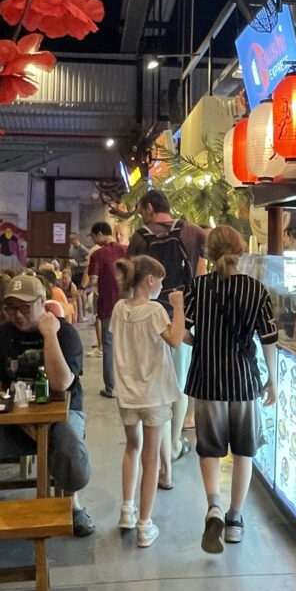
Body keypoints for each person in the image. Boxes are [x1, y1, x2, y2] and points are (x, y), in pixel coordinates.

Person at [0, 274, 94, 537]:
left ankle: (73, 504)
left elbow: (62, 383)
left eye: (24, 308)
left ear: (42, 302)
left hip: (61, 415)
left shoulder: (65, 334)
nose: (17, 315)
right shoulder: (0, 336)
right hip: (14, 418)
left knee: (68, 444)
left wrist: (49, 336)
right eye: (10, 308)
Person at [181, 225, 278, 553]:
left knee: (209, 450)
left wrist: (201, 341)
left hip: (207, 381)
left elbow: (183, 332)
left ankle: (213, 508)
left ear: (209, 253)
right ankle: (235, 519)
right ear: (240, 252)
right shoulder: (255, 290)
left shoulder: (198, 288)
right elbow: (268, 341)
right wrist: (273, 382)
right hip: (243, 382)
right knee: (243, 452)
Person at [127, 190, 207, 487]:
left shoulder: (139, 238)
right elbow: (203, 274)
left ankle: (157, 446)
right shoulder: (193, 232)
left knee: (153, 383)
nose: (141, 216)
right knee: (179, 384)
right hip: (180, 316)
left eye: (141, 210)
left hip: (146, 319)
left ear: (149, 208)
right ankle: (173, 445)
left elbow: (129, 282)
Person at [112, 257, 184, 547]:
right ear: (150, 280)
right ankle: (145, 524)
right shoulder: (155, 310)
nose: (163, 286)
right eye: (162, 280)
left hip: (127, 393)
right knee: (151, 457)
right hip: (152, 393)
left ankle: (126, 511)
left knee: (132, 447)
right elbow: (175, 339)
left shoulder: (119, 309)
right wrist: (178, 307)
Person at [85, 221, 127, 398]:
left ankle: (111, 388)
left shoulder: (98, 255)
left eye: (94, 237)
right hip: (128, 304)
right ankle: (127, 387)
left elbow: (93, 280)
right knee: (126, 345)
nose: (94, 241)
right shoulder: (126, 250)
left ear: (100, 233)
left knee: (109, 345)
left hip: (108, 304)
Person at [68, 232, 89, 321]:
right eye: (70, 240)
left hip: (81, 273)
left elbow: (88, 262)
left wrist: (78, 264)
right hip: (74, 273)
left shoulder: (83, 249)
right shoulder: (71, 249)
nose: (71, 242)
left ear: (77, 239)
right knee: (75, 294)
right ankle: (77, 315)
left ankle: (83, 315)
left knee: (81, 294)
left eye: (72, 240)